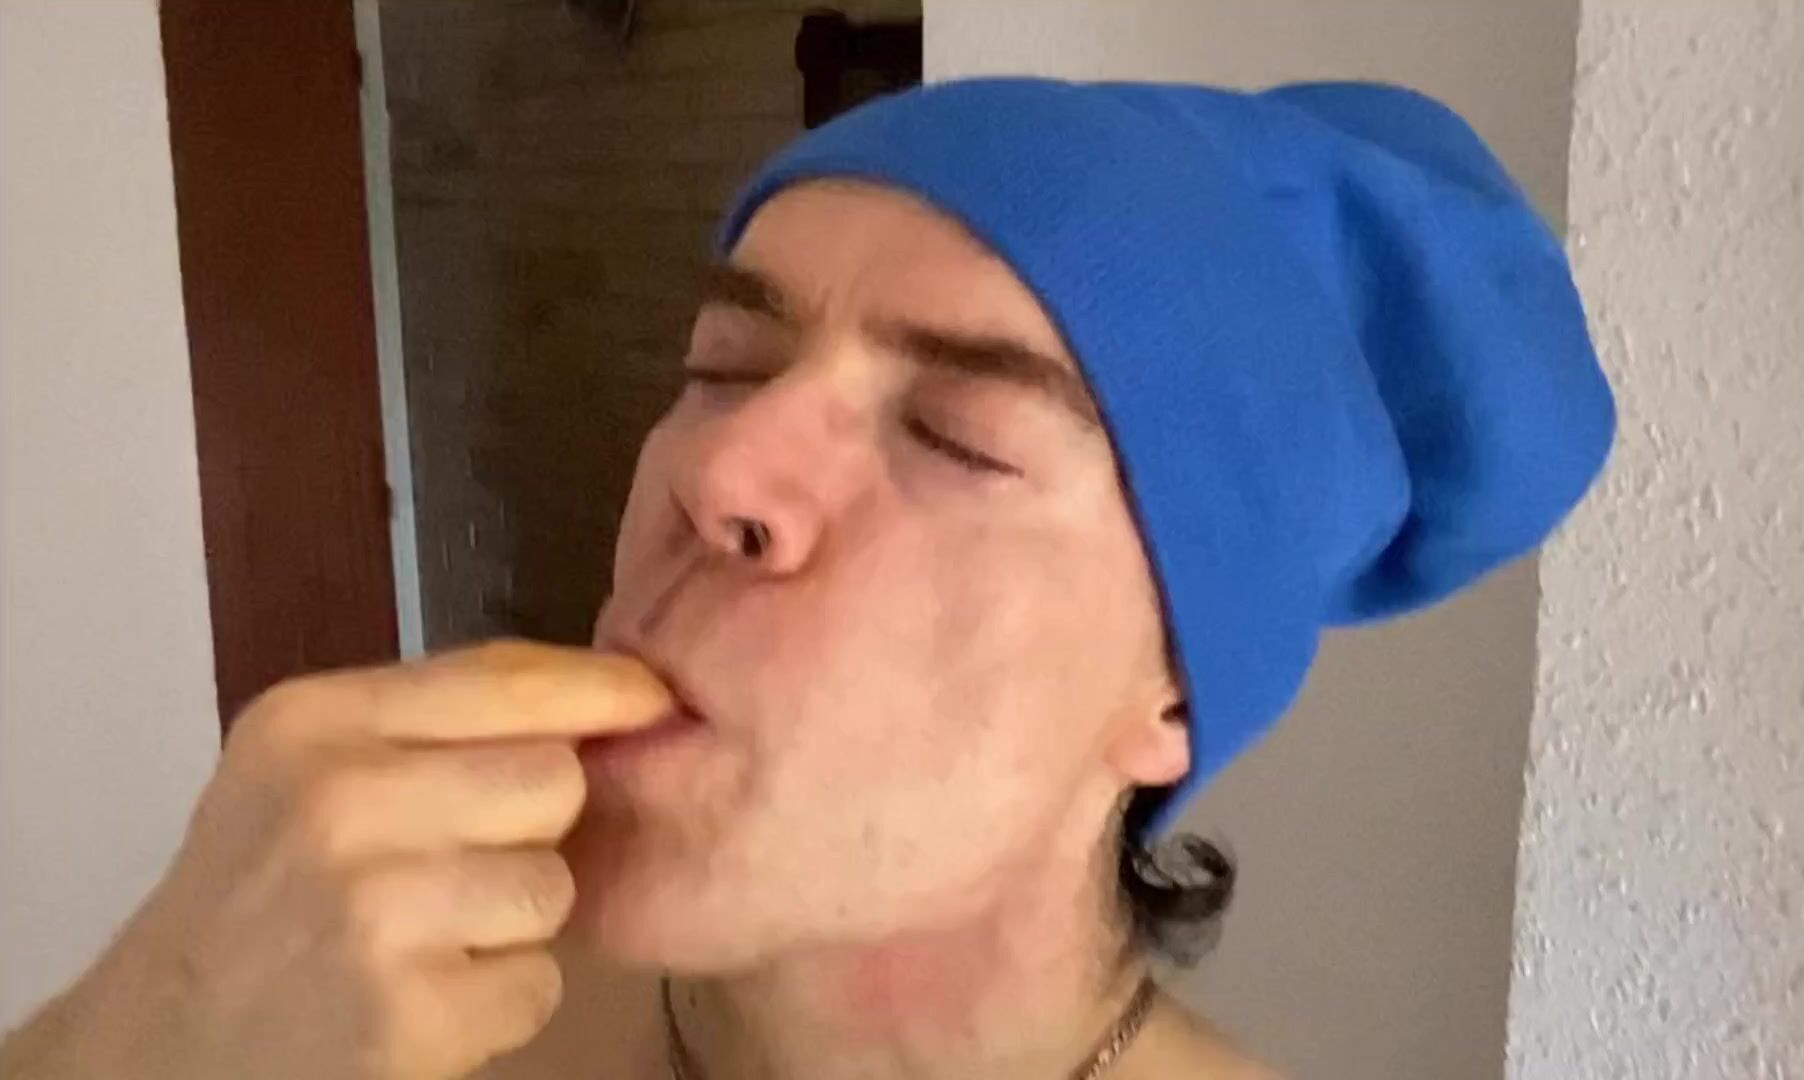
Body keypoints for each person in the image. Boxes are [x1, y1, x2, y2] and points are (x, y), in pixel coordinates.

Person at [1, 78, 1614, 1079]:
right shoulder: (344, 1019)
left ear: (1172, 695)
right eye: (721, 366)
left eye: (958, 435)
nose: (718, 475)